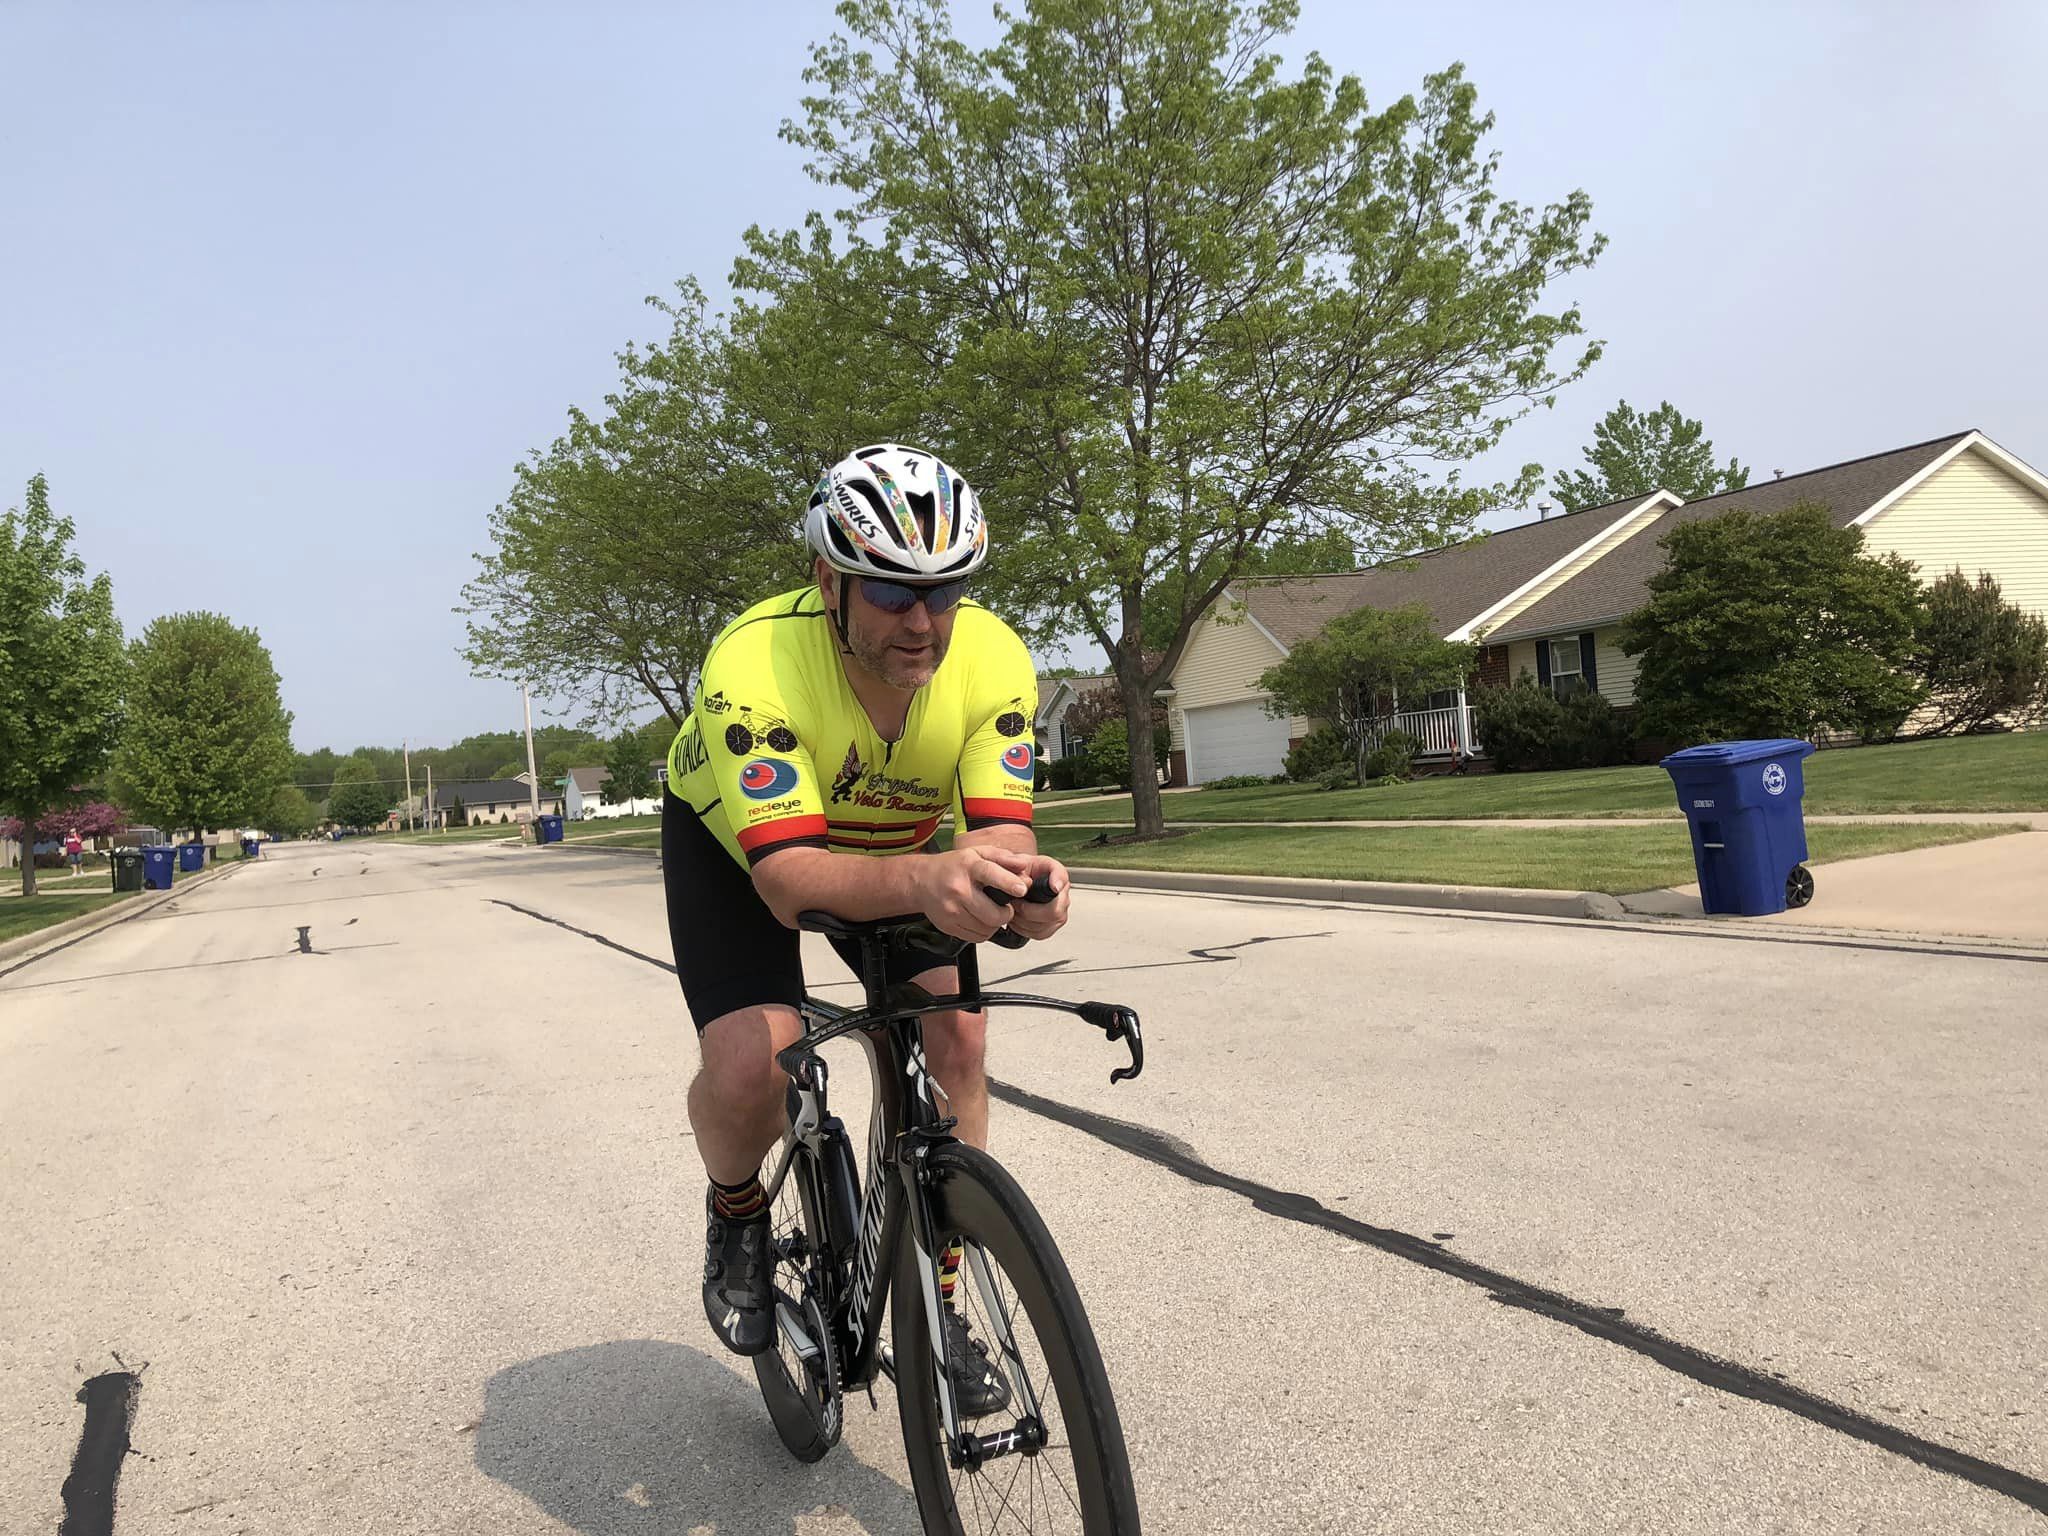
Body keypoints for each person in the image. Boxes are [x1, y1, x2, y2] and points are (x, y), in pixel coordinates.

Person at [662, 444, 1069, 1406]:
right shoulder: (753, 661)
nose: (921, 622)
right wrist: (929, 876)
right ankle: (737, 1208)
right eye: (889, 593)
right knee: (754, 1063)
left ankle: (940, 1299)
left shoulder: (994, 657)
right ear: (828, 581)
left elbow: (1001, 835)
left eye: (944, 591)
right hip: (747, 854)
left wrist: (1028, 886)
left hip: (897, 849)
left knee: (958, 1037)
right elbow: (788, 881)